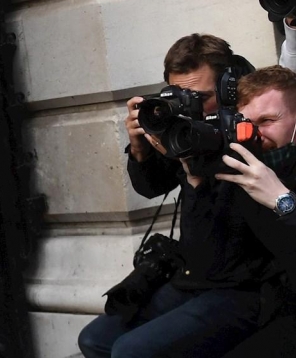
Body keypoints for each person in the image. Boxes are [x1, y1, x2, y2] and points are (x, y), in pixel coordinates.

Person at [78, 34, 280, 358]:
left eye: (199, 97)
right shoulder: (183, 131)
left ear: (229, 88)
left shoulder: (251, 130)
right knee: (95, 339)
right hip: (191, 279)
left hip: (242, 286)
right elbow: (151, 187)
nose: (189, 108)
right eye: (180, 97)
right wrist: (141, 148)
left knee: (131, 352)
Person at [214, 65, 296, 357]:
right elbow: (218, 261)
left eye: (268, 120)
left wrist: (283, 200)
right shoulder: (251, 169)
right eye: (248, 123)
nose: (255, 134)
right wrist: (196, 181)